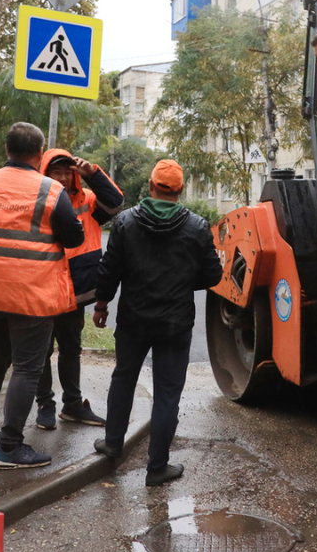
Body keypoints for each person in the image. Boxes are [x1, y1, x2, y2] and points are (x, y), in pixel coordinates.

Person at [92, 159, 222, 486]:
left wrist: (102, 304)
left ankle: (112, 443)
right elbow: (213, 275)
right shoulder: (197, 226)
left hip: (133, 319)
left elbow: (110, 270)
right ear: (180, 190)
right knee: (167, 394)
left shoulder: (125, 223)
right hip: (175, 324)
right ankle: (157, 468)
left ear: (150, 186)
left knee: (123, 377)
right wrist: (180, 281)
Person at [0, 123, 85, 469]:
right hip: (29, 291)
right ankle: (10, 447)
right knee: (27, 367)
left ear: (7, 148)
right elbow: (74, 238)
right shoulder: (50, 190)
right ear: (39, 154)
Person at [34, 147, 124, 430]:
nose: (61, 178)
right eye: (55, 172)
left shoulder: (88, 200)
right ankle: (45, 406)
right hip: (43, 288)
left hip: (74, 291)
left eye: (67, 172)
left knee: (71, 348)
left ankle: (72, 405)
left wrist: (93, 173)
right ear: (44, 174)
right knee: (41, 351)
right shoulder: (36, 199)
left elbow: (115, 201)